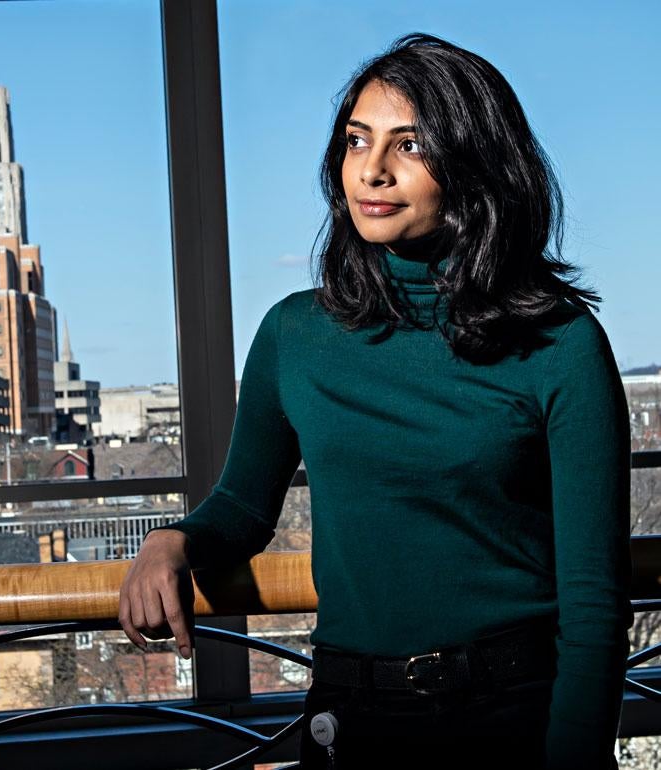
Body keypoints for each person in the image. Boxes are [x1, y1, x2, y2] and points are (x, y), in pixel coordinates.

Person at [118, 33, 632, 769]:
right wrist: (173, 542)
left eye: (410, 145)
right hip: (349, 721)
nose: (374, 170)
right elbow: (241, 507)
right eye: (358, 141)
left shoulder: (559, 341)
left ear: (475, 164)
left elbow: (593, 605)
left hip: (511, 718)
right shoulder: (296, 334)